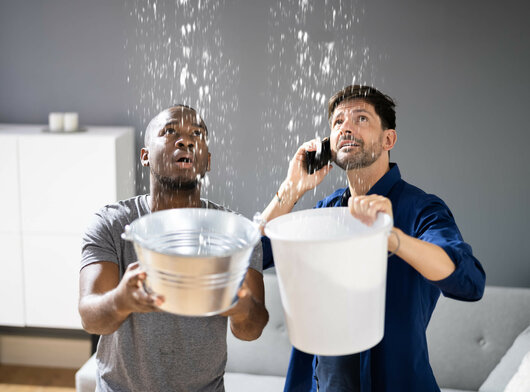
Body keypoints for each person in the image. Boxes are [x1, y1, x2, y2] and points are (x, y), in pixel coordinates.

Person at [260, 85, 486, 392]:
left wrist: (392, 238)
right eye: (338, 122)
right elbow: (257, 254)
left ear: (388, 139)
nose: (346, 127)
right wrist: (292, 187)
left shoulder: (421, 209)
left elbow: (469, 282)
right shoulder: (326, 210)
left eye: (361, 119)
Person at [78, 105, 269, 392]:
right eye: (170, 132)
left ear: (207, 161)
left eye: (197, 134)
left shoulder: (234, 232)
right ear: (144, 156)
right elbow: (90, 318)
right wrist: (121, 300)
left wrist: (239, 306)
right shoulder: (111, 223)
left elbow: (250, 330)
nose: (186, 140)